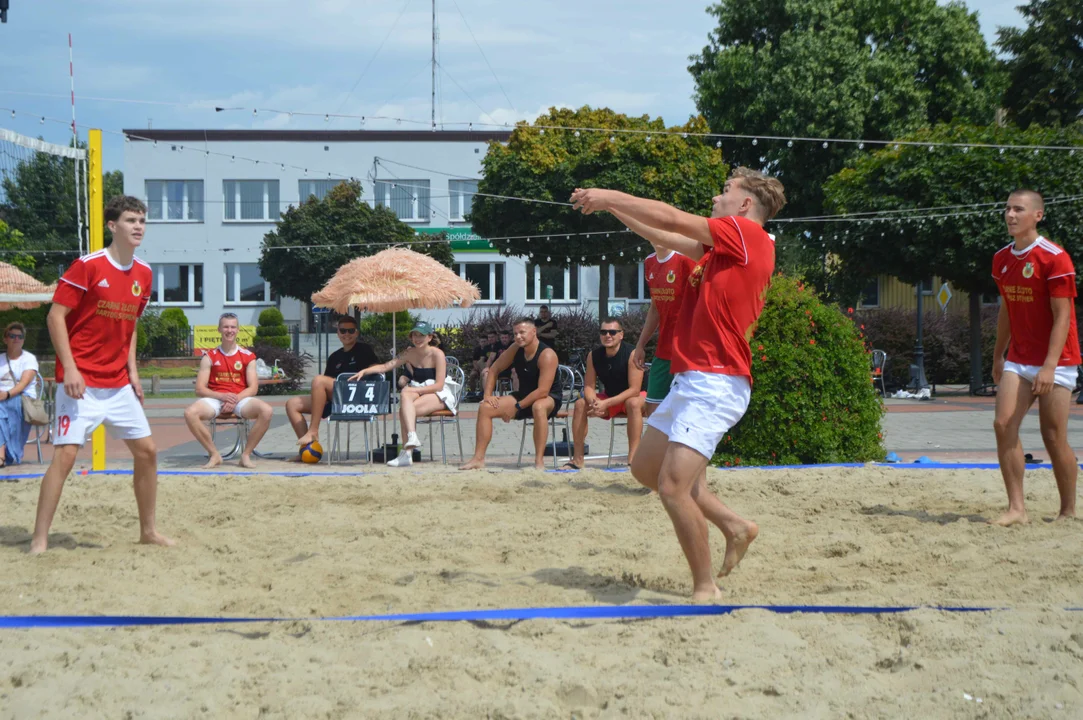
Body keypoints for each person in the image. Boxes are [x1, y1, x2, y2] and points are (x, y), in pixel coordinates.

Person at [571, 166, 786, 600]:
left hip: (717, 383)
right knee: (644, 469)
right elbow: (663, 235)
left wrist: (610, 192)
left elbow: (670, 218)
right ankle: (735, 526)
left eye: (725, 192)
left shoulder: (748, 236)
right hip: (694, 379)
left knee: (672, 487)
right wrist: (610, 207)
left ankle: (706, 587)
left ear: (745, 204)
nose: (716, 199)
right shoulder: (722, 250)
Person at [30, 195, 173, 554]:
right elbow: (54, 317)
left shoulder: (144, 272)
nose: (138, 226)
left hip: (118, 383)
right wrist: (71, 369)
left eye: (142, 220)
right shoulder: (88, 266)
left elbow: (131, 325)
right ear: (113, 226)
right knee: (65, 457)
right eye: (130, 220)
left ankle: (148, 531)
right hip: (81, 383)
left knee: (148, 452)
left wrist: (133, 371)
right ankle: (39, 540)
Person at [991, 189, 1080, 526]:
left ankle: (1068, 511)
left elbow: (1063, 317)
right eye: (1008, 209)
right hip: (1019, 358)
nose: (1011, 215)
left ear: (1037, 215)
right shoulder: (1001, 259)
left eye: (1019, 209)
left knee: (1054, 436)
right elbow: (1006, 310)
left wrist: (1049, 366)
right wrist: (999, 355)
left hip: (1058, 360)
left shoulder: (1055, 258)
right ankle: (1017, 509)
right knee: (1003, 425)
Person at [350, 322, 458, 467]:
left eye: (421, 335)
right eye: (415, 335)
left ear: (430, 337)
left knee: (405, 407)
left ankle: (407, 453)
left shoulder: (437, 353)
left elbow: (439, 385)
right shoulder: (409, 353)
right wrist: (364, 371)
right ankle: (411, 439)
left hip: (439, 393)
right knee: (406, 401)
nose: (417, 338)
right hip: (418, 390)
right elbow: (385, 366)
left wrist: (416, 390)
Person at [460, 318, 561, 470]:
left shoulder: (547, 354)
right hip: (524, 394)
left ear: (534, 332)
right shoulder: (515, 348)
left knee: (539, 407)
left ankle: (539, 461)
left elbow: (542, 391)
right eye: (515, 333)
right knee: (485, 408)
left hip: (548, 398)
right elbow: (494, 369)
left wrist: (518, 407)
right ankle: (478, 459)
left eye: (522, 332)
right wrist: (487, 395)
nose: (518, 336)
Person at [183, 313, 274, 469]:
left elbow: (253, 388)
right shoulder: (209, 356)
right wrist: (222, 396)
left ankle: (245, 455)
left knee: (266, 411)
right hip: (215, 398)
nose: (229, 330)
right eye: (226, 326)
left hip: (240, 398)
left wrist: (234, 399)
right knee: (190, 413)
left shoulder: (248, 356)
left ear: (238, 330)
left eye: (233, 327)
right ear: (219, 329)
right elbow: (199, 389)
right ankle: (214, 454)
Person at [286, 315, 378, 456]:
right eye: (343, 331)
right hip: (336, 399)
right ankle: (307, 450)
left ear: (357, 333)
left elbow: (378, 371)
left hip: (358, 397)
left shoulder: (364, 350)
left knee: (319, 380)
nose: (347, 334)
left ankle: (313, 430)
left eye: (351, 331)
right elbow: (324, 384)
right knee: (292, 404)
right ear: (338, 333)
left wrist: (363, 375)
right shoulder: (334, 356)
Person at [567, 317, 645, 469]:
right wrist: (593, 402)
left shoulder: (632, 353)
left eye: (612, 332)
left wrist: (606, 403)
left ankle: (633, 459)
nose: (608, 335)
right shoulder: (594, 355)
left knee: (633, 403)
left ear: (621, 335)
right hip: (611, 396)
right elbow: (589, 386)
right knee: (580, 404)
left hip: (637, 395)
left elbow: (634, 389)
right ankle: (577, 459)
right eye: (603, 332)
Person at [635, 249, 697, 417]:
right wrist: (640, 344)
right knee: (653, 414)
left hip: (687, 353)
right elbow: (655, 308)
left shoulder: (686, 260)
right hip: (663, 352)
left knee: (685, 414)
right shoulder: (649, 262)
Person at [0, 321, 39, 467]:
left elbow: (23, 384)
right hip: (2, 398)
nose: (16, 339)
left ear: (23, 339)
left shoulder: (29, 359)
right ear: (5, 339)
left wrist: (6, 395)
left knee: (2, 408)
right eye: (12, 336)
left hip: (22, 398)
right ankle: (3, 454)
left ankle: (2, 454)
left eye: (20, 336)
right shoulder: (1, 359)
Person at [469, 331, 498, 395]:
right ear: (479, 342)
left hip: (492, 367)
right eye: (482, 342)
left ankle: (483, 392)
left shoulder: (497, 345)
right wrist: (479, 368)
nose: (483, 343)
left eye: (485, 341)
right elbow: (476, 361)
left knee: (484, 372)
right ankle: (472, 393)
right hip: (481, 367)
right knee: (472, 374)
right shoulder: (480, 349)